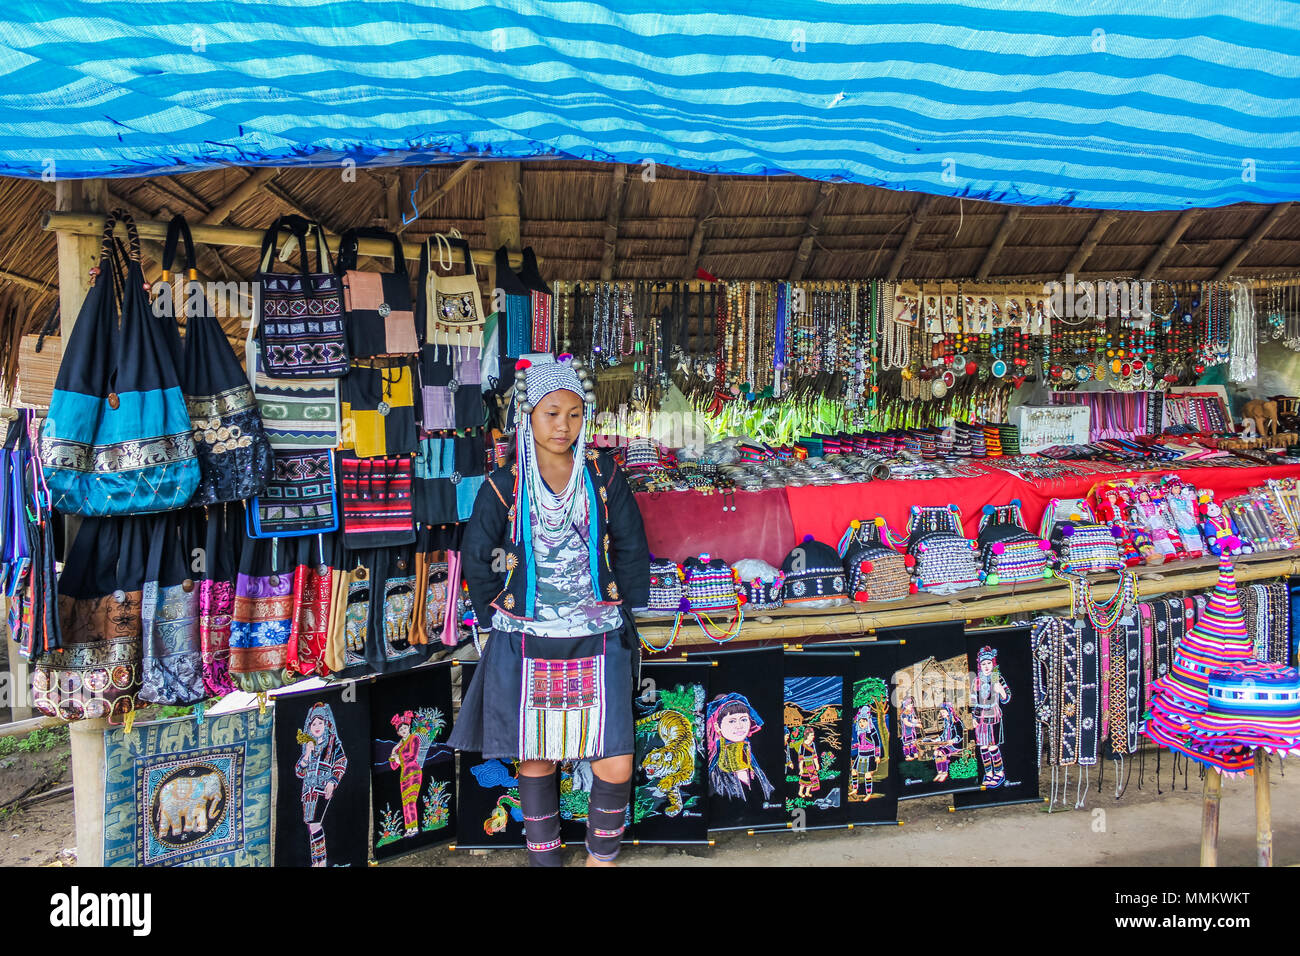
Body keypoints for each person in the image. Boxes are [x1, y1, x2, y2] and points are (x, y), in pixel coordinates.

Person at [450, 355, 649, 867]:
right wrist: (499, 613)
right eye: (551, 413)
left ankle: (599, 857)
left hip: (598, 634)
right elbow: (477, 554)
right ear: (526, 417)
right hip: (528, 636)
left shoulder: (603, 474)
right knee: (535, 752)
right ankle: (544, 857)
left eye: (575, 414)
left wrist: (626, 603)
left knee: (614, 755)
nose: (564, 426)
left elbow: (629, 543)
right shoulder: (503, 483)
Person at [296, 702, 347, 867]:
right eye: (314, 724)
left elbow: (341, 762)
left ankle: (322, 860)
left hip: (323, 788)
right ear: (309, 727)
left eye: (320, 723)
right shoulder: (309, 746)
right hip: (308, 791)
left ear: (326, 724)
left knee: (316, 824)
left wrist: (333, 781)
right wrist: (307, 754)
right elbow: (299, 771)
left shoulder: (332, 744)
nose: (317, 726)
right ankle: (316, 860)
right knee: (312, 827)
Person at [706, 693, 774, 802]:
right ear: (717, 726)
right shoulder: (715, 771)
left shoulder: (753, 763)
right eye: (732, 721)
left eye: (743, 719)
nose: (739, 726)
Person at [970, 647, 1010, 788]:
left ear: (993, 663)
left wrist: (1001, 691)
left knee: (993, 746)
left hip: (993, 715)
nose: (986, 666)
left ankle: (999, 772)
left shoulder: (996, 677)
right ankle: (988, 773)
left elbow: (1007, 697)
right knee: (983, 747)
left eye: (989, 663)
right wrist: (973, 716)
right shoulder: (977, 680)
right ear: (980, 665)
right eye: (983, 664)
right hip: (980, 716)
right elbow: (973, 699)